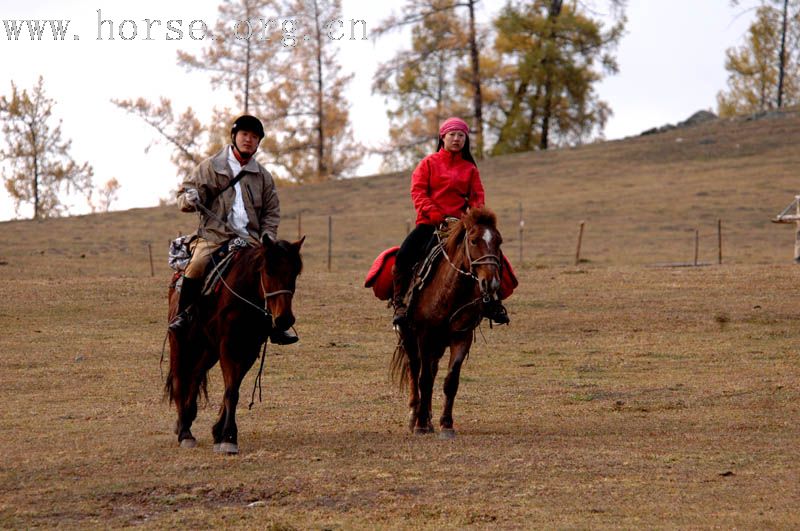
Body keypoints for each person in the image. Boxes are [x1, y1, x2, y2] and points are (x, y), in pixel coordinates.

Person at [170, 114, 298, 345]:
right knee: (197, 266)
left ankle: (275, 325)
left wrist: (267, 238)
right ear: (234, 137)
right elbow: (182, 198)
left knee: (275, 272)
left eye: (255, 137)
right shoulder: (211, 167)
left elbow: (271, 212)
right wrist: (191, 198)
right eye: (245, 134)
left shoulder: (263, 177)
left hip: (250, 241)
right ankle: (184, 315)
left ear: (258, 143)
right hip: (214, 238)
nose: (249, 140)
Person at [392, 116, 510, 327]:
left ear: (466, 140)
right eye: (452, 135)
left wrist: (471, 218)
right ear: (443, 137)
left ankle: (492, 301)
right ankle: (400, 302)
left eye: (461, 135)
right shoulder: (427, 164)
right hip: (430, 224)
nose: (456, 139)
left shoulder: (470, 169)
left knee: (490, 255)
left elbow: (477, 197)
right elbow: (418, 192)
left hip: (461, 226)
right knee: (403, 256)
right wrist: (437, 216)